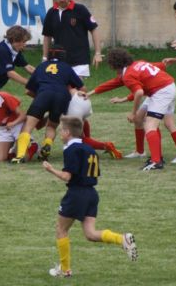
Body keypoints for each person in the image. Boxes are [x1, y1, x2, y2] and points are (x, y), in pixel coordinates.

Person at [43, 116, 137, 278]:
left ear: (67, 132)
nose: (60, 135)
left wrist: (51, 169)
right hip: (91, 194)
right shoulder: (90, 150)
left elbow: (67, 177)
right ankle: (122, 239)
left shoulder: (71, 150)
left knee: (61, 229)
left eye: (61, 132)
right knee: (91, 234)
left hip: (76, 194)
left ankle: (65, 270)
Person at [42, 0, 120, 158]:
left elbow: (94, 29)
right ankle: (87, 142)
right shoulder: (51, 13)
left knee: (74, 101)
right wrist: (45, 58)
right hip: (58, 64)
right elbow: (46, 36)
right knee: (68, 105)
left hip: (78, 63)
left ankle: (82, 142)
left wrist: (98, 52)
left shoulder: (80, 10)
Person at [87, 49, 176, 170]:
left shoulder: (128, 75)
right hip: (166, 87)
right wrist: (90, 93)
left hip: (161, 92)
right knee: (140, 119)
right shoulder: (137, 64)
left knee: (150, 124)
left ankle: (156, 161)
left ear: (114, 66)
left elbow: (139, 92)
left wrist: (132, 112)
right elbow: (116, 82)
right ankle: (141, 152)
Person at [10, 45, 84, 163]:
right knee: (51, 126)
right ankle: (47, 145)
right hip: (61, 96)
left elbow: (28, 90)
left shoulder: (41, 66)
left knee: (28, 126)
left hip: (43, 94)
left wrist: (40, 98)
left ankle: (20, 156)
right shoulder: (67, 67)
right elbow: (81, 87)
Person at [0, 25, 35, 156]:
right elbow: (10, 73)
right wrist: (30, 83)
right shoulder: (2, 50)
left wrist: (43, 76)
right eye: (24, 42)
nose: (25, 45)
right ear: (15, 40)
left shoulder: (14, 51)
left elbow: (28, 67)